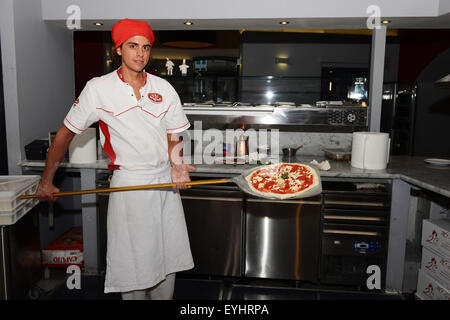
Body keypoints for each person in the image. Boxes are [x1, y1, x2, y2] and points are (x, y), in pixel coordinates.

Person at [36, 18, 196, 300]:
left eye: (146, 47)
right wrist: (46, 181)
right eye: (133, 46)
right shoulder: (98, 88)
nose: (140, 54)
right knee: (134, 262)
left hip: (163, 184)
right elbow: (63, 136)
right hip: (129, 184)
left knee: (167, 258)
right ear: (118, 49)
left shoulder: (164, 88)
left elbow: (173, 135)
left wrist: (177, 164)